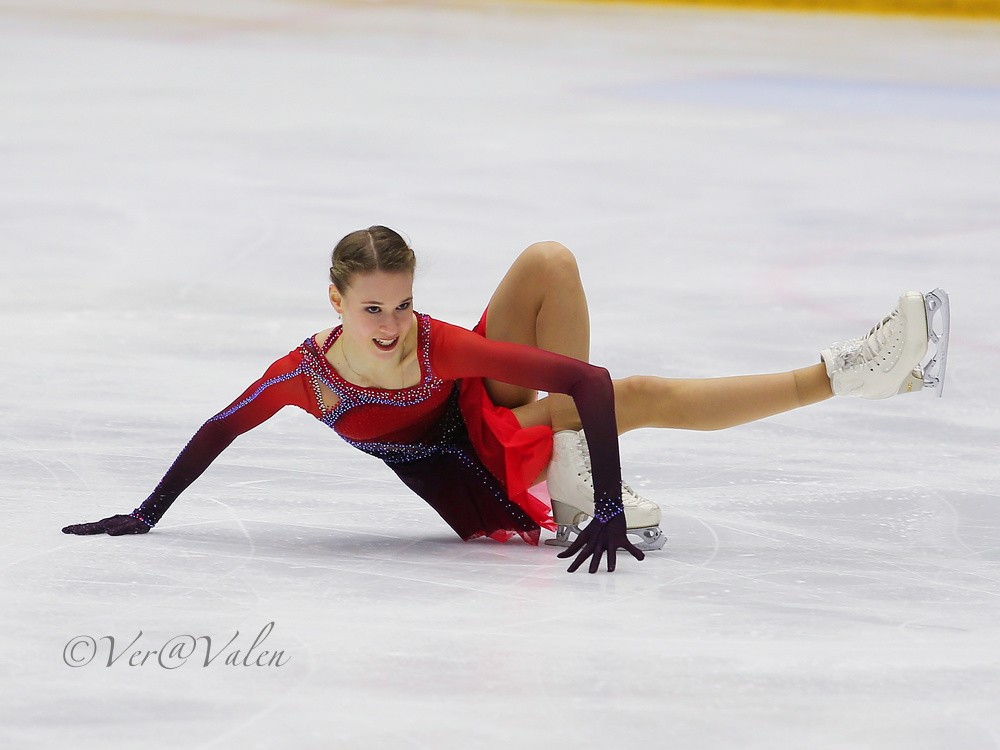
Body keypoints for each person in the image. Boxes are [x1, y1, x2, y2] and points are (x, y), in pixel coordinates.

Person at [62, 226, 951, 574]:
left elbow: (585, 381)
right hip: (473, 476)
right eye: (372, 309)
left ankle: (852, 373)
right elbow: (221, 426)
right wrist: (147, 513)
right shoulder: (304, 376)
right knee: (633, 396)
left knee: (549, 264)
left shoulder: (436, 343)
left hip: (494, 415)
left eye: (403, 304)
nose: (392, 325)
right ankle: (855, 375)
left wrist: (608, 503)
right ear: (335, 302)